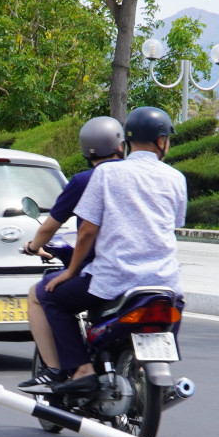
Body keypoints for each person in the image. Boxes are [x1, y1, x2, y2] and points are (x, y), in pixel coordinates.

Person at [33, 106, 186, 387]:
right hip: (166, 283)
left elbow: (88, 231)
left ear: (127, 141)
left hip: (114, 278)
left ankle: (80, 369)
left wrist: (70, 271)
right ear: (162, 141)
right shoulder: (177, 178)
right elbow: (172, 224)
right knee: (175, 306)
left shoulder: (106, 174)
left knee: (49, 295)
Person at [21, 115, 126, 390]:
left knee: (43, 294)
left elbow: (52, 228)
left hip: (102, 273)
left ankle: (66, 368)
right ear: (121, 147)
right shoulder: (136, 177)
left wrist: (33, 247)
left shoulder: (83, 181)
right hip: (147, 274)